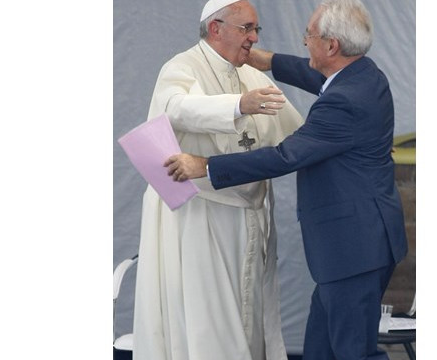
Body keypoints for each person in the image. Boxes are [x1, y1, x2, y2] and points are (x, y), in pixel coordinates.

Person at [165, 0, 408, 359]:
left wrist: (206, 166)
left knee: (355, 352)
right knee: (320, 350)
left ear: (331, 46)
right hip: (360, 243)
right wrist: (264, 60)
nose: (304, 42)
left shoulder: (343, 102)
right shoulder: (366, 75)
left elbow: (285, 156)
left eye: (308, 35)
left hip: (352, 250)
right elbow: (315, 76)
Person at [132, 0, 304, 359]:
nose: (254, 38)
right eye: (247, 29)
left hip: (249, 217)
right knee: (206, 323)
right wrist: (238, 106)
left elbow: (300, 134)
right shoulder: (182, 67)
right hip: (201, 219)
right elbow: (174, 108)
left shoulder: (251, 76)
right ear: (216, 28)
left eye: (256, 29)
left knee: (249, 320)